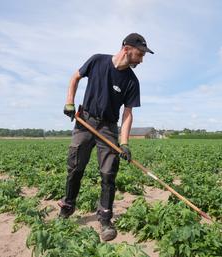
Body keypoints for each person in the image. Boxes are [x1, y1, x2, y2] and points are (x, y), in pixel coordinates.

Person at [58, 33, 154, 241]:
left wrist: (125, 143)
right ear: (127, 49)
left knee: (109, 173)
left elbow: (127, 113)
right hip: (85, 121)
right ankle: (67, 206)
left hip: (108, 128)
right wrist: (69, 102)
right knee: (75, 167)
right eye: (140, 54)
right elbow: (75, 77)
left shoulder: (132, 81)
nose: (141, 59)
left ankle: (105, 218)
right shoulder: (97, 61)